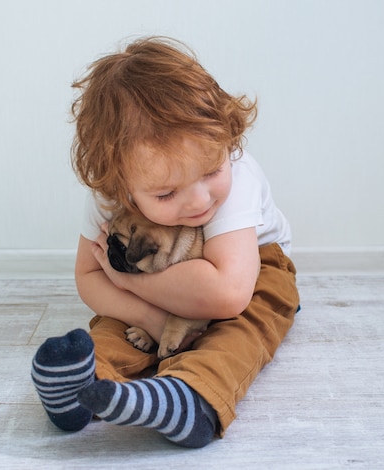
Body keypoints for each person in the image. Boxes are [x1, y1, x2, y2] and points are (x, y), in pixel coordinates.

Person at [31, 36, 300, 448]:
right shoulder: (111, 194)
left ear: (225, 140)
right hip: (168, 281)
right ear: (122, 186)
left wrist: (128, 282)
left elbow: (227, 296)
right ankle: (84, 383)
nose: (199, 200)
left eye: (211, 170)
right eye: (165, 194)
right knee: (117, 324)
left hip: (252, 270)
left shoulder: (235, 184)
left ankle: (194, 394)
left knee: (242, 328)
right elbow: (88, 276)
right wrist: (153, 319)